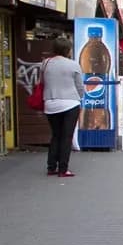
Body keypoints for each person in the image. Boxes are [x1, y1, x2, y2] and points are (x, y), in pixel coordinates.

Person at [42, 36, 86, 177]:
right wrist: (81, 98)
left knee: (56, 135)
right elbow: (80, 87)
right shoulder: (73, 65)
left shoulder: (46, 63)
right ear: (68, 50)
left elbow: (42, 82)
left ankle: (51, 167)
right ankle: (63, 169)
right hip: (70, 103)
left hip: (50, 103)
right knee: (66, 137)